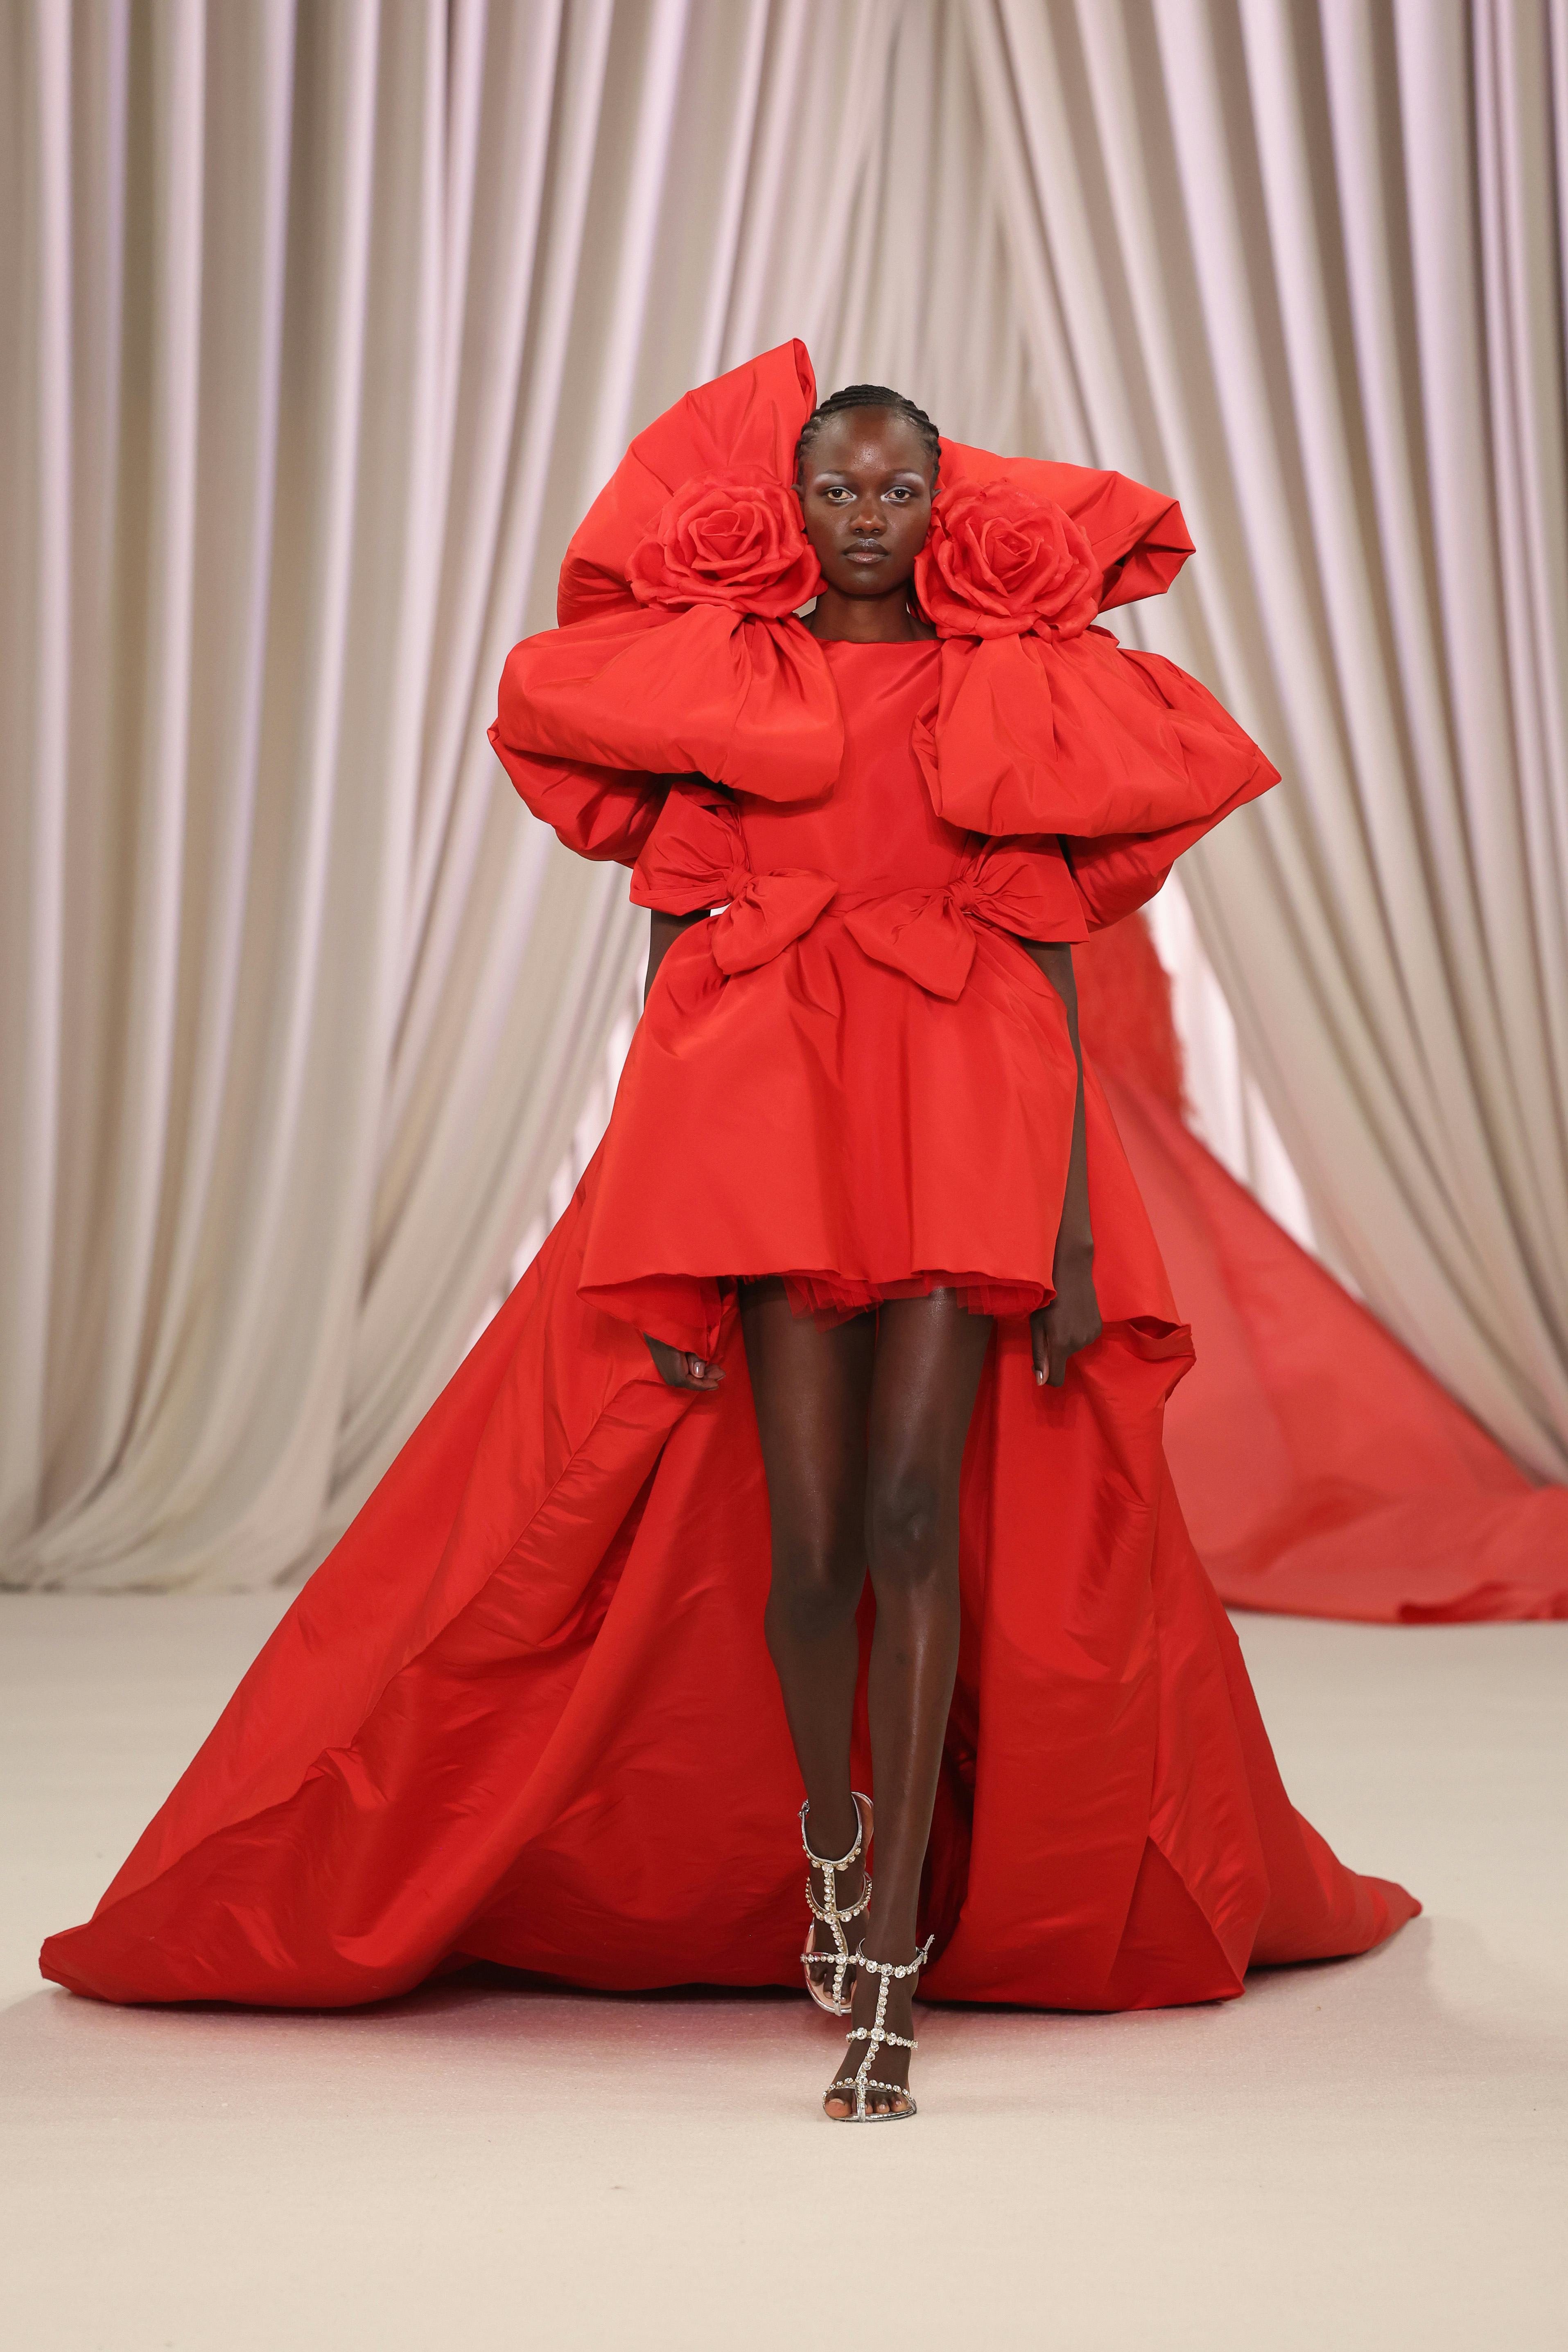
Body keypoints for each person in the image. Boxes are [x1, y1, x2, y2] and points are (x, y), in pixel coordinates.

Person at [41, 345, 1416, 2122]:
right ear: (793, 506)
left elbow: (1053, 943)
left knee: (923, 1514)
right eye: (834, 490)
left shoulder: (1009, 686)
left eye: (895, 490)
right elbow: (671, 957)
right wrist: (662, 1215)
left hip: (962, 1088)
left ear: (944, 504)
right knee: (814, 1542)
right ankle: (833, 1859)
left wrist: (1075, 1236)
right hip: (770, 1098)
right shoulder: (716, 680)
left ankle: (893, 1956)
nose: (865, 518)